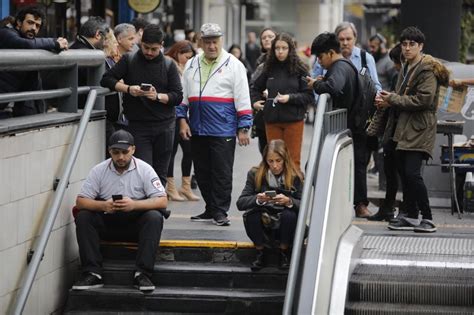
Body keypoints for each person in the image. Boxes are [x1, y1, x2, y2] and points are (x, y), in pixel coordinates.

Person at [72, 130, 167, 292]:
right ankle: (92, 272)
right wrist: (103, 206)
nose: (121, 157)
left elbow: (163, 200)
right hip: (107, 223)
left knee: (154, 217)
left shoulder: (145, 169)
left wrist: (134, 205)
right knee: (84, 216)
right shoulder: (98, 170)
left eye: (125, 152)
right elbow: (80, 202)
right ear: (109, 151)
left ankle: (143, 274)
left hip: (135, 226)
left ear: (133, 150)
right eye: (116, 153)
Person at [177, 23, 252, 226]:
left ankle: (220, 211)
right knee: (202, 172)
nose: (211, 46)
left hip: (223, 128)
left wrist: (244, 128)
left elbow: (243, 98)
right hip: (198, 127)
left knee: (221, 172)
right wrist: (182, 121)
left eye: (215, 42)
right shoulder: (192, 64)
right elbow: (183, 97)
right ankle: (210, 208)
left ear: (221, 41)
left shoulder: (234, 64)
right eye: (208, 42)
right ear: (201, 42)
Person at [376, 27, 449, 233]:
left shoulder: (426, 69)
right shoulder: (407, 66)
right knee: (404, 172)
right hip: (403, 126)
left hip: (419, 127)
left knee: (412, 173)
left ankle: (428, 217)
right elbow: (401, 95)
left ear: (421, 46)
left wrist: (392, 99)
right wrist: (388, 98)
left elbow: (423, 100)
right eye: (404, 44)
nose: (407, 48)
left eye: (412, 44)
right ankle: (409, 214)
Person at [311, 22, 382, 218]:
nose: (345, 43)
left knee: (356, 165)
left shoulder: (342, 66)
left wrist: (317, 85)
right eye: (341, 39)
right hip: (344, 124)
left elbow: (333, 87)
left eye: (348, 39)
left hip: (354, 125)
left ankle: (356, 204)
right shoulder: (340, 64)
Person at [101, 24, 183, 188]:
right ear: (141, 43)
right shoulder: (129, 60)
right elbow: (106, 79)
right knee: (142, 171)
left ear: (161, 46)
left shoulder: (168, 65)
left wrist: (157, 96)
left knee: (160, 173)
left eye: (154, 49)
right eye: (146, 48)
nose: (149, 53)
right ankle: (145, 209)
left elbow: (178, 96)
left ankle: (157, 209)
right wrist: (129, 89)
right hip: (138, 126)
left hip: (165, 125)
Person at [250, 33, 314, 171]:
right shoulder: (268, 67)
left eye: (284, 48)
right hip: (272, 121)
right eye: (277, 48)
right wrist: (255, 102)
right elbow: (255, 88)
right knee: (274, 162)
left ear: (290, 49)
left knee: (292, 161)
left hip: (293, 121)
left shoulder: (300, 69)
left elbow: (309, 96)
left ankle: (293, 192)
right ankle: (275, 191)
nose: (280, 51)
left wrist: (289, 98)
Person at [236, 139, 303, 270]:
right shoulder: (255, 174)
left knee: (289, 215)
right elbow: (241, 203)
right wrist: (258, 199)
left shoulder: (296, 177)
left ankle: (284, 252)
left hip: (285, 222)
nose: (275, 165)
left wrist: (289, 201)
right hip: (265, 220)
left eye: (278, 160)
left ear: (285, 159)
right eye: (270, 161)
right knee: (251, 215)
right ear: (265, 160)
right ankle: (261, 252)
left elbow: (305, 205)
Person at [0, 5, 68, 117]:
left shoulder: (30, 42)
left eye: (37, 25)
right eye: (30, 22)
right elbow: (25, 44)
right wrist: (54, 43)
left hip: (12, 103)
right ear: (19, 23)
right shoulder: (6, 33)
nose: (34, 28)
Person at [368, 43, 404, 222]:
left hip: (401, 131)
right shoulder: (401, 75)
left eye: (396, 62)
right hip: (393, 129)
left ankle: (403, 210)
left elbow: (402, 100)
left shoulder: (404, 75)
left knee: (401, 173)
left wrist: (388, 100)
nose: (395, 66)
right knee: (390, 171)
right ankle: (388, 208)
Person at [164, 40, 199, 201]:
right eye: (186, 56)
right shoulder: (168, 64)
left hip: (188, 113)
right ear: (178, 53)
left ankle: (185, 186)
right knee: (172, 151)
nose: (188, 59)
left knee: (190, 150)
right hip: (173, 114)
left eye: (191, 56)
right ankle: (170, 187)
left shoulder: (191, 67)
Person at [251, 28, 278, 154]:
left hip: (280, 111)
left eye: (270, 36)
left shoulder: (285, 59)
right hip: (263, 111)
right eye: (264, 37)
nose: (267, 39)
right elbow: (254, 85)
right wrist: (255, 101)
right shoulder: (260, 61)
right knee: (265, 150)